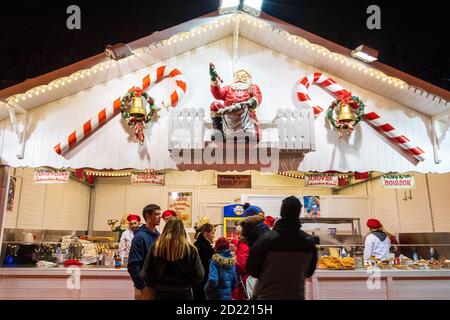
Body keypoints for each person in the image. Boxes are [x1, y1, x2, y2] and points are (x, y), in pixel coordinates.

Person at [246, 196, 318, 300]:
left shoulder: (266, 239)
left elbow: (252, 269)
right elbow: (309, 272)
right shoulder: (309, 242)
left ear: (282, 212)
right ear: (298, 213)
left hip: (267, 296)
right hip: (296, 296)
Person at [142, 217, 204, 300]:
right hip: (183, 292)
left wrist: (155, 284)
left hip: (161, 292)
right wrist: (187, 284)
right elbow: (199, 274)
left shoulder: (155, 248)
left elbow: (146, 273)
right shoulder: (190, 249)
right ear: (183, 230)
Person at [209, 64, 263, 141]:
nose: (240, 78)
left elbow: (257, 97)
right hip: (228, 112)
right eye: (238, 76)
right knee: (214, 105)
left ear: (248, 78)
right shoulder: (229, 88)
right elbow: (218, 95)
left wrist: (247, 103)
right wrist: (214, 79)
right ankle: (218, 131)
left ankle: (249, 133)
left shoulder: (252, 87)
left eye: (243, 76)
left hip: (245, 112)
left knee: (255, 135)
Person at [127, 204, 161, 300]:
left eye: (160, 214)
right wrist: (142, 287)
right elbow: (133, 265)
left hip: (156, 285)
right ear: (147, 216)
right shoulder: (140, 237)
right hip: (145, 287)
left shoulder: (158, 235)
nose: (160, 217)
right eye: (157, 214)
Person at [192, 220, 216, 300]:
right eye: (212, 233)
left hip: (198, 279)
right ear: (206, 233)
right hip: (203, 280)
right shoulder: (205, 247)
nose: (214, 236)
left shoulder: (199, 244)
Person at [231, 225, 250, 300]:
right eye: (237, 234)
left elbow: (241, 265)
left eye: (239, 234)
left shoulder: (243, 245)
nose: (237, 236)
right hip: (243, 278)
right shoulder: (242, 243)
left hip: (243, 279)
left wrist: (231, 262)